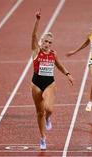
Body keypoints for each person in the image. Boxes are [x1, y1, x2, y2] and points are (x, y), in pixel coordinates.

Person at [31, 10, 74, 150]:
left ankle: (48, 118)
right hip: (36, 83)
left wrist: (67, 74)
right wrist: (37, 20)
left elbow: (60, 65)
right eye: (45, 41)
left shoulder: (53, 54)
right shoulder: (36, 51)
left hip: (49, 83)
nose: (47, 44)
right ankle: (43, 138)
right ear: (41, 42)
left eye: (50, 42)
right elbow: (33, 36)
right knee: (39, 113)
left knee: (48, 108)